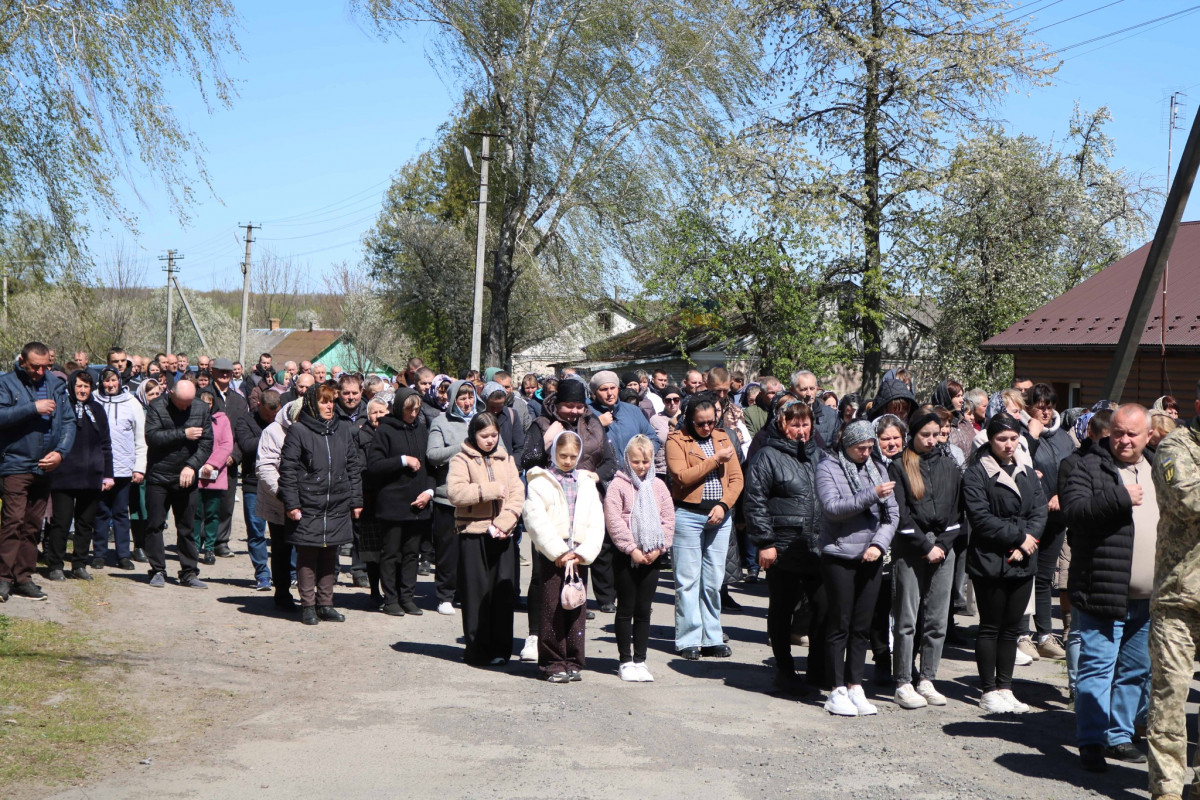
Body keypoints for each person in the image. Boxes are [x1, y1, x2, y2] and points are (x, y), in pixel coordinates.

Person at [1061, 404, 1155, 772]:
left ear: (1148, 435)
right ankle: (1092, 742)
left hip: (1149, 597)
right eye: (1118, 432)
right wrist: (1119, 496)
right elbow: (1074, 511)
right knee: (1097, 669)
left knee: (1135, 670)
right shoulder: (1087, 466)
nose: (1124, 440)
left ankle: (1120, 736)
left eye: (1133, 433)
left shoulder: (1159, 468)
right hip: (1102, 588)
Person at [962, 413, 1047, 714]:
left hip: (1023, 558)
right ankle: (988, 690)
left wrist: (1028, 542)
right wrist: (1019, 538)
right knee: (990, 626)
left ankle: (1006, 687)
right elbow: (981, 519)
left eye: (1013, 439)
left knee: (1012, 628)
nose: (1009, 445)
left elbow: (1039, 510)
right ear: (990, 440)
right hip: (991, 558)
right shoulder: (976, 473)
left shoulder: (1026, 469)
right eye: (1002, 440)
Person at [815, 420, 898, 717]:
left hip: (871, 555)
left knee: (862, 626)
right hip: (839, 555)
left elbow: (893, 514)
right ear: (846, 445)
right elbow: (833, 509)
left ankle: (854, 685)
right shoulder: (828, 468)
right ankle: (836, 689)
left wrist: (879, 545)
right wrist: (872, 494)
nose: (865, 453)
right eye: (859, 448)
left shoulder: (877, 467)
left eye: (868, 447)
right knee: (840, 624)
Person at [743, 400, 826, 694]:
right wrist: (765, 543)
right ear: (782, 425)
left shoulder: (820, 455)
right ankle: (785, 670)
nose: (801, 431)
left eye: (805, 425)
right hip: (782, 545)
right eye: (795, 424)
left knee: (823, 608)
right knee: (782, 609)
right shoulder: (767, 456)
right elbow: (755, 502)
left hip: (817, 546)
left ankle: (818, 669)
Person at [888, 411, 963, 710]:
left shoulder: (950, 466)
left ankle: (928, 678)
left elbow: (958, 514)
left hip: (944, 548)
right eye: (925, 435)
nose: (932, 440)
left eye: (937, 434)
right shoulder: (898, 466)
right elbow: (901, 515)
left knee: (937, 618)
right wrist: (924, 545)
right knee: (907, 618)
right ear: (913, 435)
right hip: (911, 547)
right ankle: (903, 681)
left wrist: (942, 545)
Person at [1147, 380, 1200, 800]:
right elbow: (1188, 501)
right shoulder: (1174, 447)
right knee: (1170, 695)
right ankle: (1167, 788)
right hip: (1178, 596)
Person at [666, 394, 744, 660]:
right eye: (701, 423)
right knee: (687, 581)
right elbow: (681, 477)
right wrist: (714, 460)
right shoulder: (676, 440)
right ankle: (688, 638)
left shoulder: (723, 438)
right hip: (688, 515)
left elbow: (736, 479)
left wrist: (723, 505)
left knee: (712, 582)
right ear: (690, 420)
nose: (707, 428)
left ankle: (711, 636)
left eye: (711, 422)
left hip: (719, 518)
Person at [279, 384, 363, 625]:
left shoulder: (343, 429)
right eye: (323, 402)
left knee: (330, 555)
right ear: (312, 405)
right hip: (308, 503)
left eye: (330, 401)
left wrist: (356, 500)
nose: (329, 406)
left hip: (336, 503)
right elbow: (288, 469)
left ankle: (325, 604)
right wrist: (292, 504)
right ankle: (307, 605)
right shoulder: (299, 430)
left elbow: (353, 468)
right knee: (307, 555)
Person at [524, 431, 604, 682]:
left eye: (572, 456)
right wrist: (557, 551)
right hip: (553, 556)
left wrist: (583, 553)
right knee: (552, 610)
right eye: (563, 455)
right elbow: (535, 519)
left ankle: (573, 659)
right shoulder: (540, 482)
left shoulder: (586, 482)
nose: (568, 460)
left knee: (576, 608)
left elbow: (596, 520)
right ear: (554, 454)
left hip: (578, 557)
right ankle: (552, 662)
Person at [447, 412, 525, 665]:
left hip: (502, 533)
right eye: (484, 436)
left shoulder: (506, 460)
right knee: (476, 593)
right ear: (474, 435)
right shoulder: (461, 459)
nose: (490, 440)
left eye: (494, 435)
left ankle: (501, 651)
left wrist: (505, 522)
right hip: (472, 533)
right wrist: (489, 491)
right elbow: (455, 493)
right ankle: (477, 650)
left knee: (502, 594)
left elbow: (516, 493)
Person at [0, 343, 76, 601]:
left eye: (46, 366)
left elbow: (68, 421)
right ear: (22, 360)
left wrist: (61, 452)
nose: (41, 372)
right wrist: (33, 407)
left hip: (46, 466)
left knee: (33, 525)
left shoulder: (55, 384)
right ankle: (3, 577)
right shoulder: (6, 383)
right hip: (15, 464)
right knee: (13, 522)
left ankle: (23, 577)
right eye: (35, 366)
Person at [588, 370, 660, 614]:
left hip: (632, 481)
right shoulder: (588, 413)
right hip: (601, 481)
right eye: (603, 389)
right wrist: (598, 423)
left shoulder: (632, 412)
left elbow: (652, 436)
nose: (609, 393)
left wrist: (643, 456)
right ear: (594, 393)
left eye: (612, 388)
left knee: (630, 534)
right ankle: (605, 595)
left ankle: (626, 591)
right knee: (605, 540)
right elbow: (581, 443)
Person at [604, 434, 673, 682]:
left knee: (644, 610)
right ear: (627, 460)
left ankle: (640, 659)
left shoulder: (659, 486)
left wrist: (659, 548)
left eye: (645, 461)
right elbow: (614, 520)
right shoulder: (618, 485)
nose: (641, 466)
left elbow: (667, 519)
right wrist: (631, 548)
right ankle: (624, 660)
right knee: (626, 609)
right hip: (626, 556)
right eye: (636, 462)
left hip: (652, 555)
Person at [367, 388, 434, 616]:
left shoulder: (422, 430)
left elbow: (431, 466)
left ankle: (407, 596)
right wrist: (402, 461)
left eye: (417, 409)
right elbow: (374, 465)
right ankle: (391, 598)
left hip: (418, 503)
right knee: (391, 553)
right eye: (409, 409)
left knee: (411, 553)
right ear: (399, 408)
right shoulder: (385, 430)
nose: (413, 414)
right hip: (393, 503)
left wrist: (429, 492)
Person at [143, 376, 213, 589]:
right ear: (171, 394)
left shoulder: (200, 409)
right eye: (182, 403)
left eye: (189, 403)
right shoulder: (156, 406)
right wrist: (183, 433)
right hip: (159, 475)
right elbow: (152, 437)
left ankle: (189, 572)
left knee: (187, 527)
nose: (186, 408)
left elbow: (207, 443)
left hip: (187, 476)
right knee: (154, 525)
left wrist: (192, 466)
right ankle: (157, 570)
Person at [45, 370, 114, 582]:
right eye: (79, 386)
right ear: (72, 386)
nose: (83, 390)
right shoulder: (62, 408)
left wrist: (107, 475)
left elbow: (106, 444)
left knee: (85, 523)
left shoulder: (98, 410)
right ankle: (55, 564)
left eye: (86, 386)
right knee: (61, 522)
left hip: (91, 475)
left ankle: (79, 564)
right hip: (64, 475)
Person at [1021, 383, 1074, 662]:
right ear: (1028, 407)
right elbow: (1021, 470)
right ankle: (1021, 634)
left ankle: (1044, 635)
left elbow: (1073, 471)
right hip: (1029, 516)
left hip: (1058, 516)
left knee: (1043, 578)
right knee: (1023, 575)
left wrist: (1062, 496)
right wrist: (1031, 435)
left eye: (1049, 405)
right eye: (1039, 406)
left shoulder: (1063, 437)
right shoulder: (1019, 433)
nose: (1045, 411)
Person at [427, 379, 478, 615]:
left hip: (477, 496)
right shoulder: (441, 421)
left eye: (470, 397)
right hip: (447, 497)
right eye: (462, 398)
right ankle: (445, 595)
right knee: (448, 550)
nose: (467, 403)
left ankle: (467, 593)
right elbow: (433, 455)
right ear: (453, 399)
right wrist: (463, 446)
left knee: (472, 551)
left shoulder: (482, 420)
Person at [93, 366, 146, 571]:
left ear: (119, 381)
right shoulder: (94, 400)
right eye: (106, 381)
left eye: (113, 380)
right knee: (101, 512)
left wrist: (139, 467)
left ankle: (123, 554)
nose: (110, 385)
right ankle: (99, 553)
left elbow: (140, 438)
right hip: (100, 468)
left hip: (124, 468)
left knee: (121, 513)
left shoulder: (132, 403)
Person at [256, 399, 302, 610]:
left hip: (308, 501)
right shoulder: (273, 431)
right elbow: (265, 468)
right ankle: (282, 592)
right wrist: (287, 496)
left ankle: (309, 595)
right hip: (279, 500)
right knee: (282, 548)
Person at [236, 391, 281, 592]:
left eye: (274, 415)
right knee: (256, 531)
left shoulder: (283, 421)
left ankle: (289, 573)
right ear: (258, 406)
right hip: (253, 483)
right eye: (267, 416)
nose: (271, 419)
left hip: (279, 483)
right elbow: (246, 446)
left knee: (284, 532)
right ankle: (262, 574)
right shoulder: (245, 421)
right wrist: (272, 438)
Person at [194, 389, 233, 565]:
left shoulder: (222, 419)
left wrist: (211, 464)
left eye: (208, 403)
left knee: (212, 513)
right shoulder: (192, 417)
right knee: (195, 513)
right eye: (202, 402)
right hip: (195, 471)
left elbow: (226, 445)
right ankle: (194, 546)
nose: (205, 406)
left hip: (214, 473)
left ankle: (209, 547)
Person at [792, 370, 840, 446]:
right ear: (792, 390)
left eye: (812, 388)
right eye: (804, 389)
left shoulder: (831, 415)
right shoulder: (786, 415)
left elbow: (836, 448)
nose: (809, 394)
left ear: (816, 388)